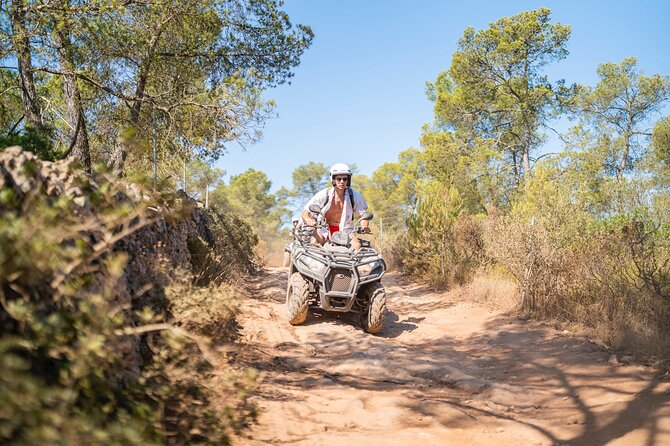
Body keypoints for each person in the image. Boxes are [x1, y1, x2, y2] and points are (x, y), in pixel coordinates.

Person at [300, 163, 370, 250]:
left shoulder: (355, 196)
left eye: (345, 179)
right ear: (333, 180)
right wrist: (308, 219)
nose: (342, 182)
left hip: (346, 230)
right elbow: (306, 212)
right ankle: (311, 263)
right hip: (324, 229)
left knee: (357, 246)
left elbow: (363, 215)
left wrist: (364, 226)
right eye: (339, 179)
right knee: (314, 242)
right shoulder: (324, 194)